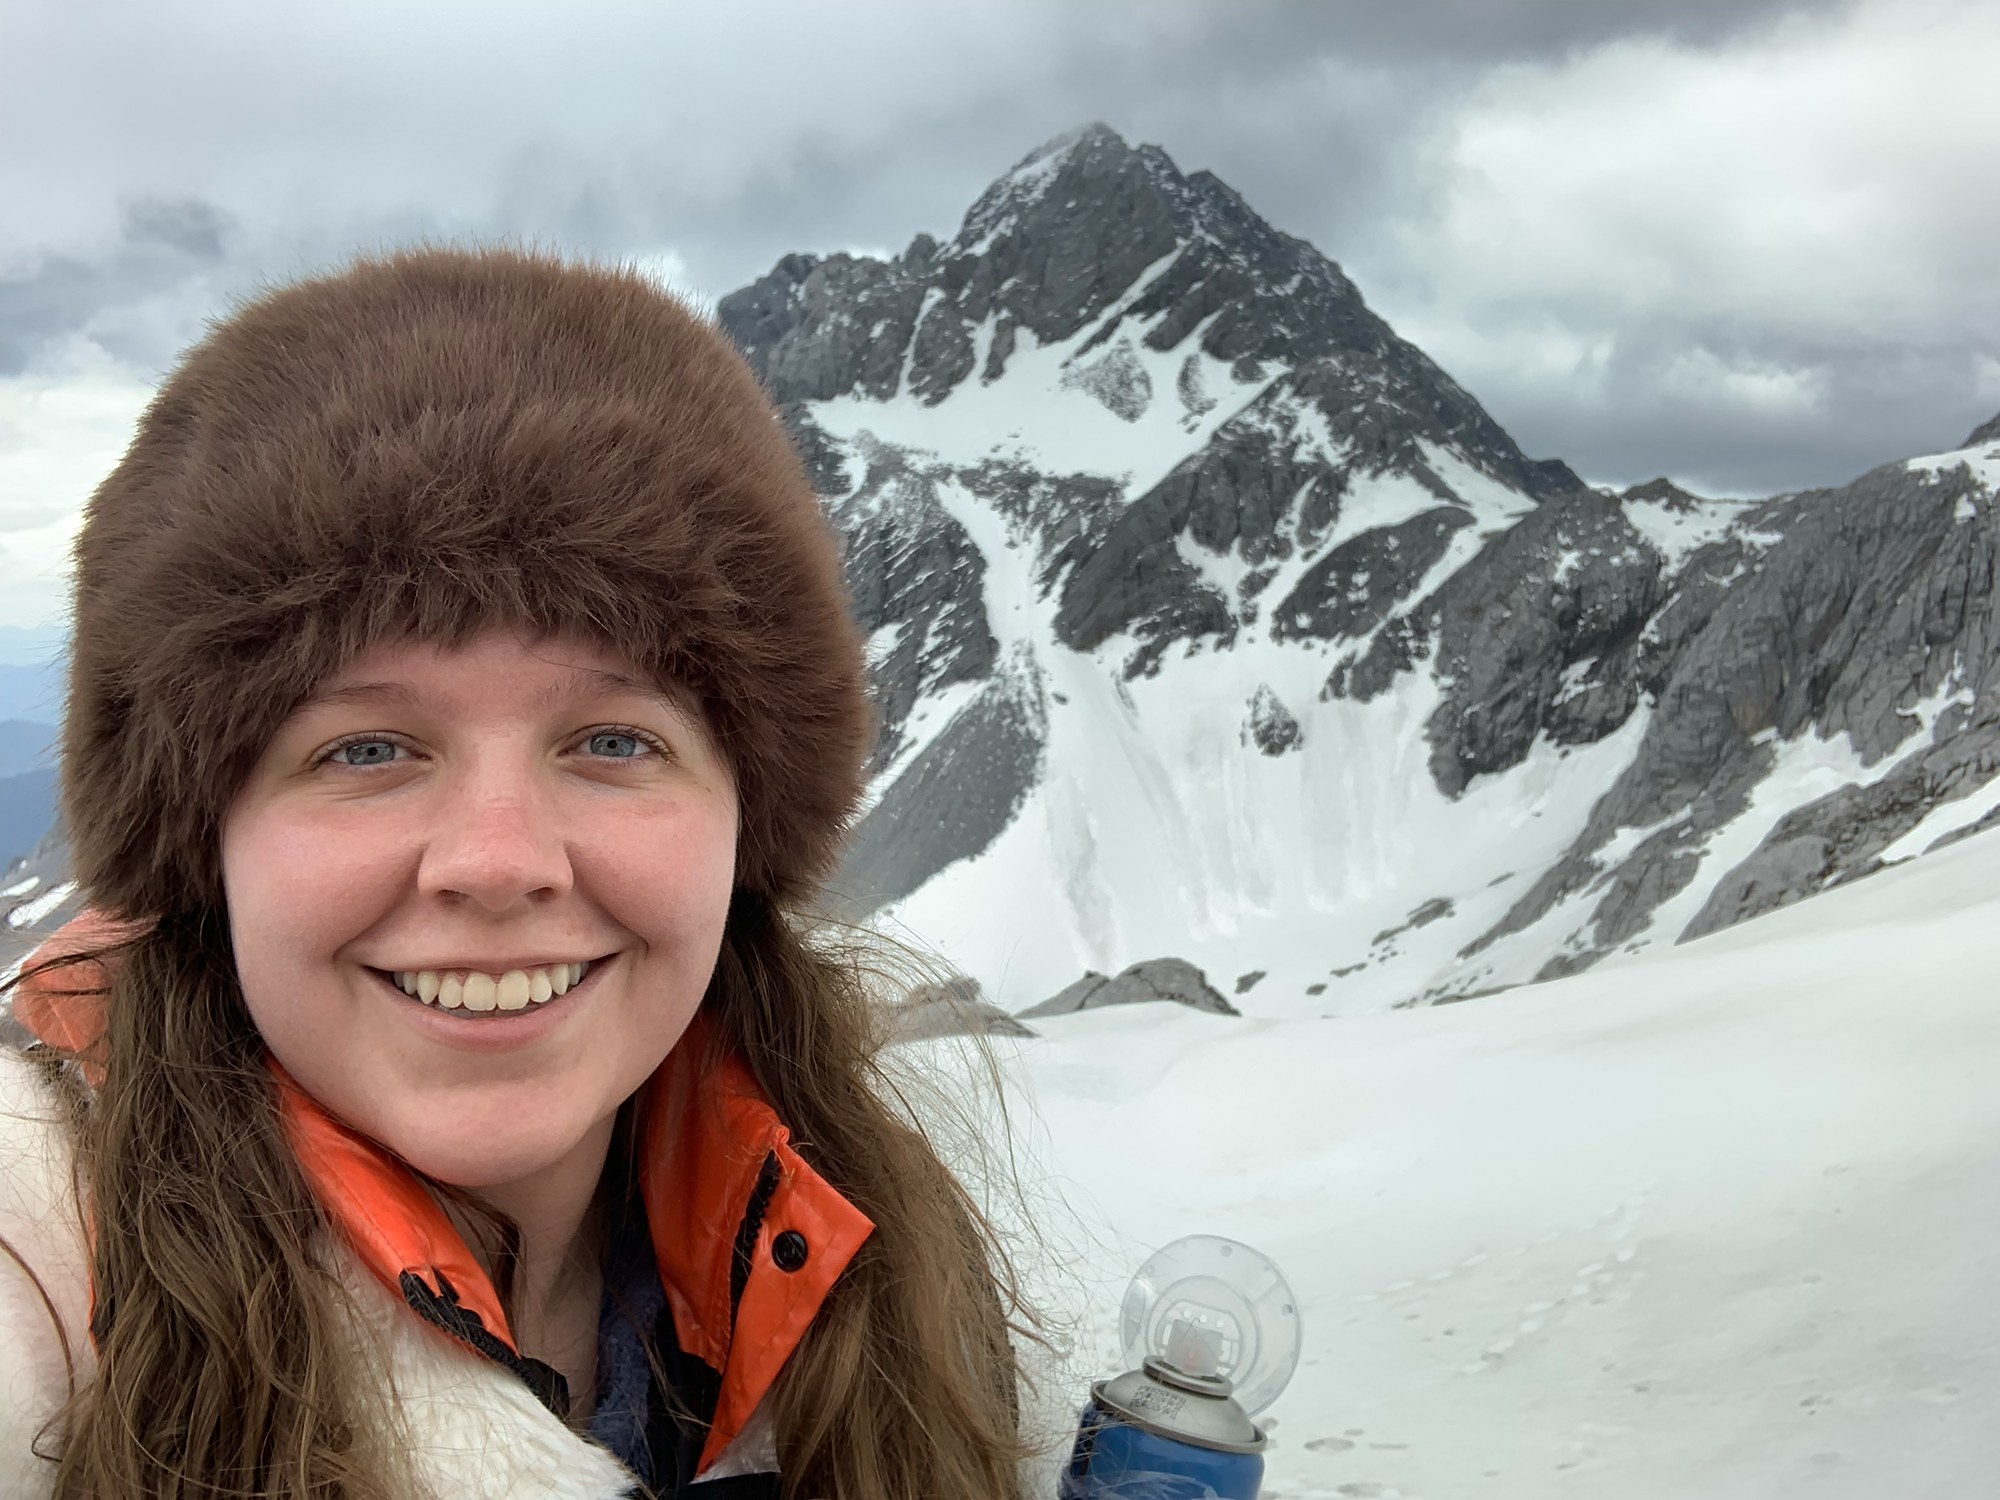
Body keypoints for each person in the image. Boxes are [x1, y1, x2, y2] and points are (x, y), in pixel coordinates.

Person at [0, 249, 1029, 1499]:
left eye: (614, 741)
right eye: (365, 749)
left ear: (744, 822)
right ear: (201, 845)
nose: (497, 864)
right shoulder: (38, 1253)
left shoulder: (874, 1264)